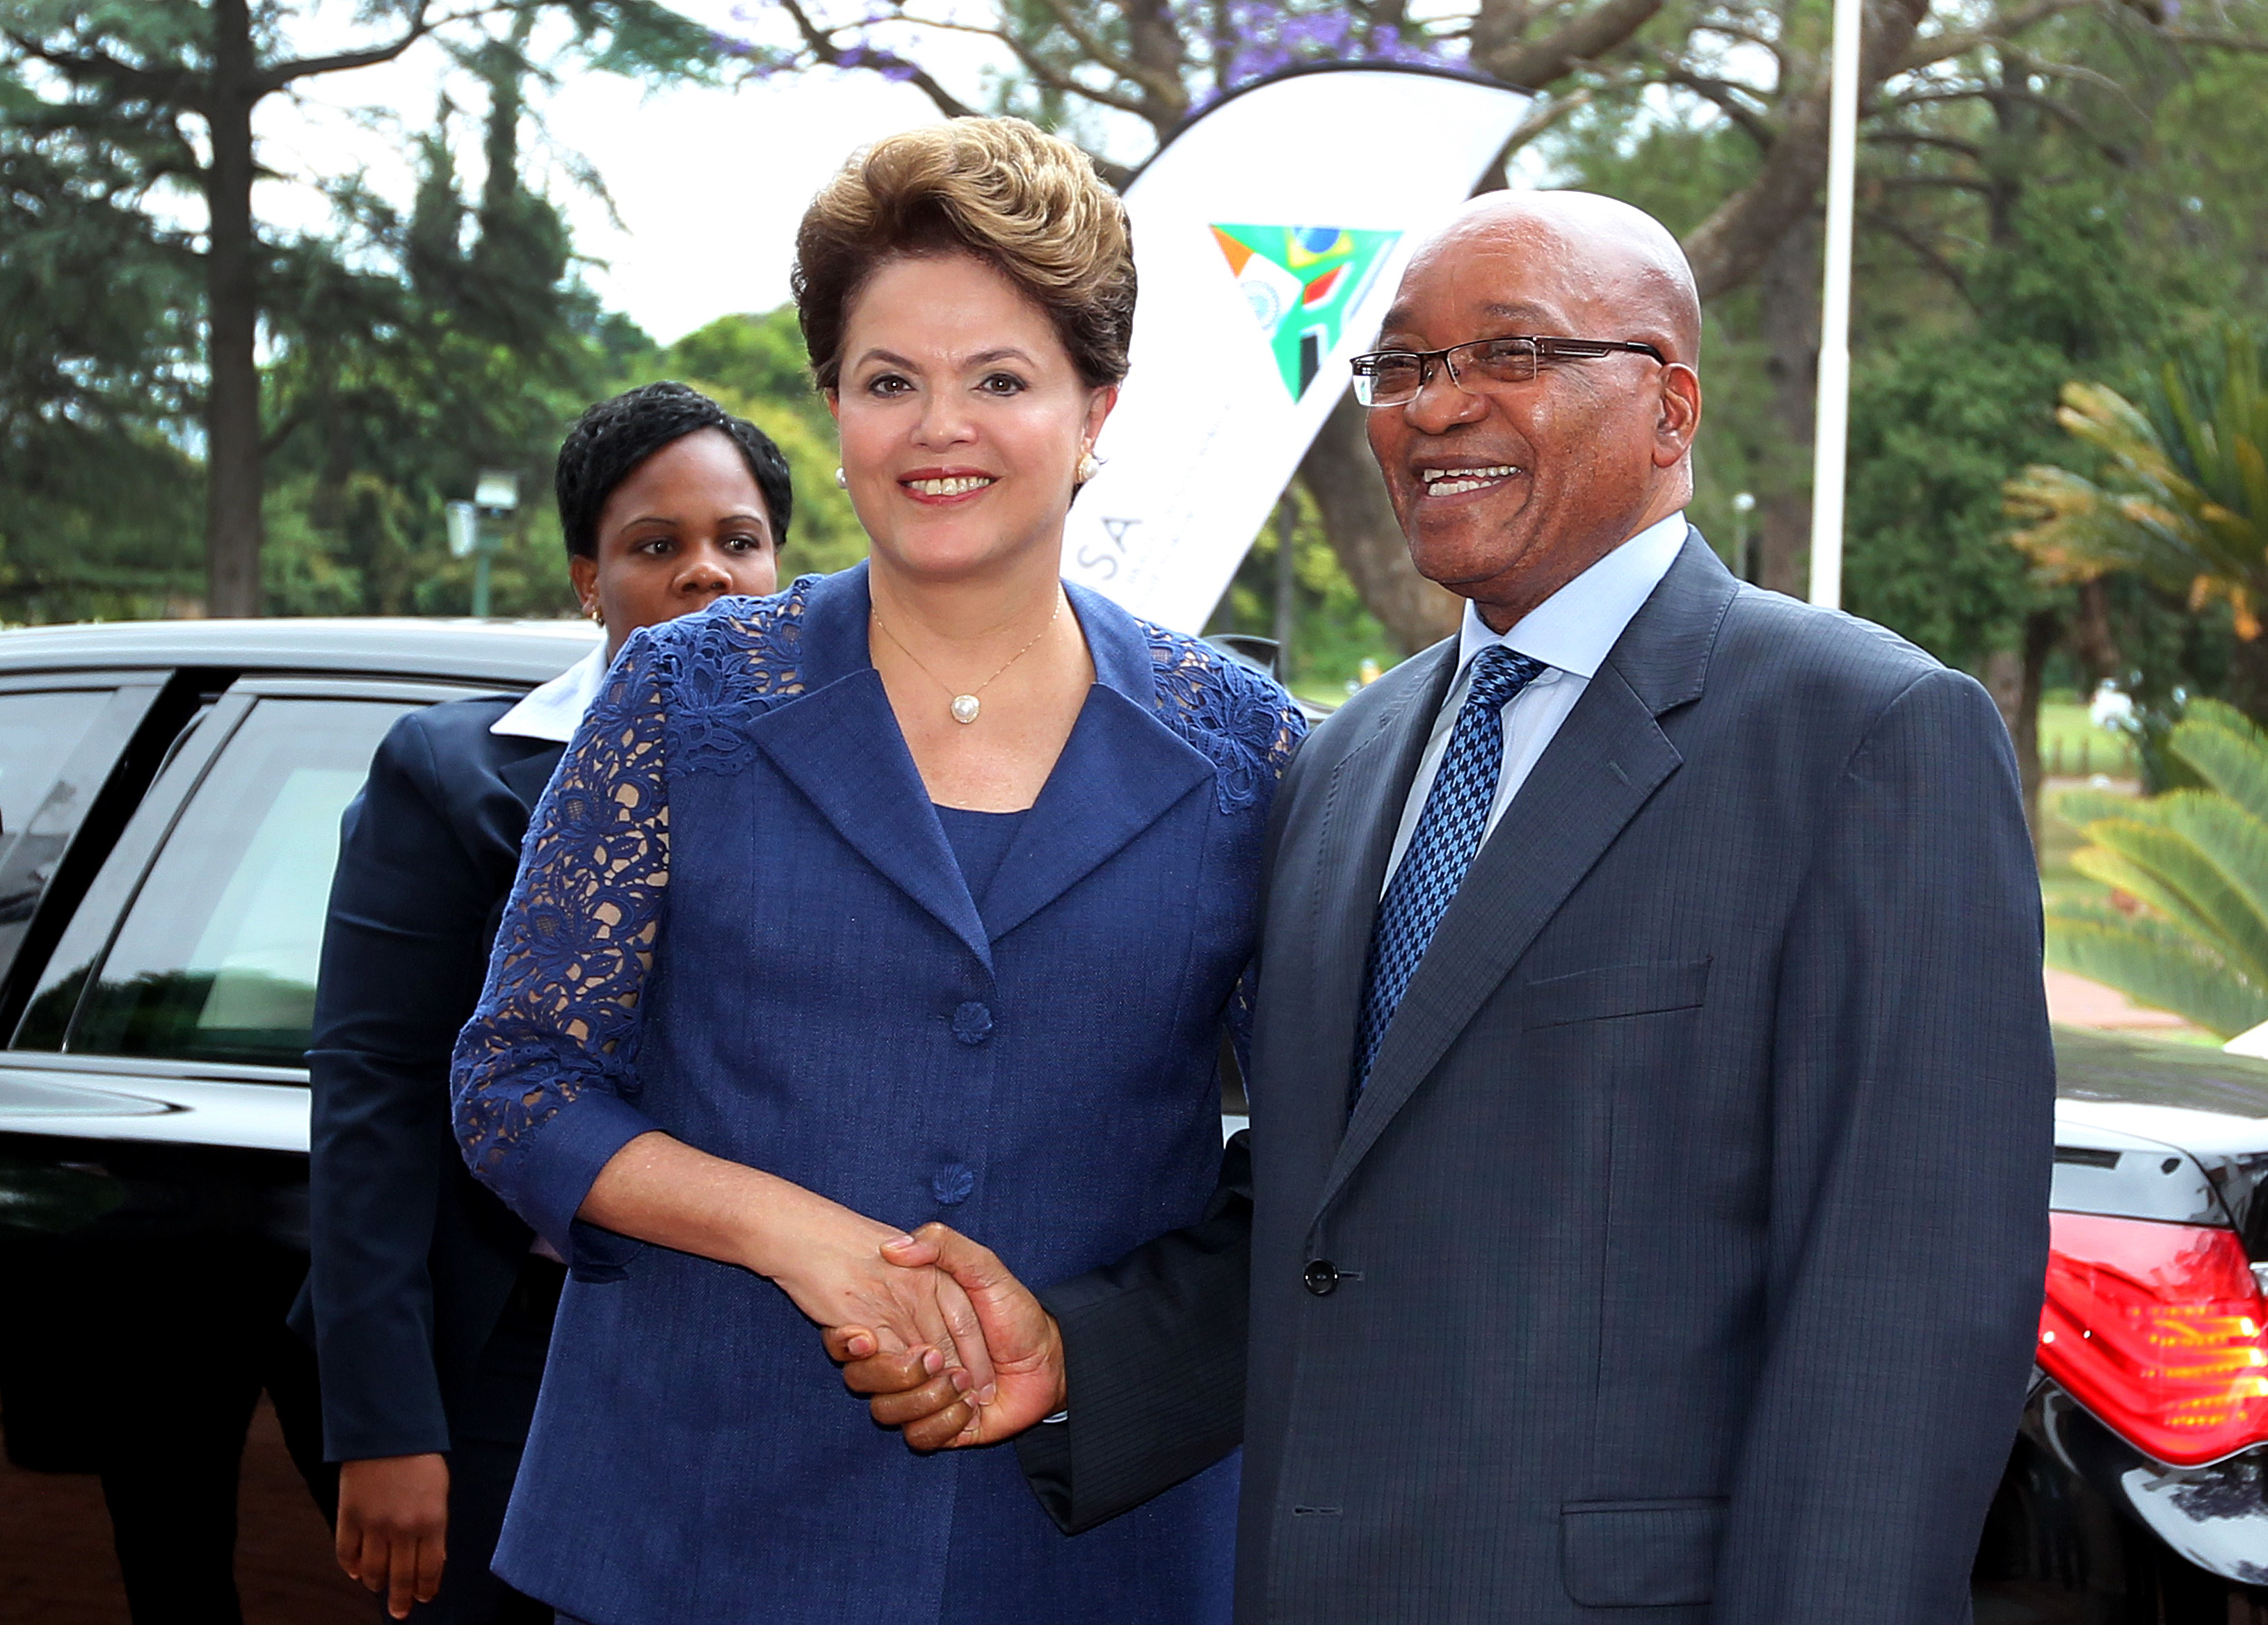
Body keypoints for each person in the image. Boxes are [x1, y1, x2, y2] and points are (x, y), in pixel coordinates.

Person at [837, 190, 2057, 1623]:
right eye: (1401, 366)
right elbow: (1328, 1208)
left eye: (1510, 354)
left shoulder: (1864, 735)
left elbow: (1903, 1312)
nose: (1434, 406)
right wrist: (1083, 1358)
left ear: (1668, 407)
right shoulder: (1343, 756)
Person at [447, 118, 1301, 1625]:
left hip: (1091, 1540)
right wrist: (809, 1241)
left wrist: (1093, 1342)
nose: (937, 428)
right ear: (833, 401)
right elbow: (516, 1077)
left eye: (1001, 380)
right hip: (692, 1523)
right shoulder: (676, 698)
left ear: (1098, 408)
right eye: (889, 380)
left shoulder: (1248, 747)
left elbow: (1315, 1152)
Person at [300, 381, 791, 1621]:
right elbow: (371, 1102)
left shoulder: (844, 783)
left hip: (761, 1343)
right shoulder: (455, 776)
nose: (705, 574)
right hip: (513, 1350)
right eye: (655, 545)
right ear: (589, 576)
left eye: (739, 541)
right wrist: (386, 1423)